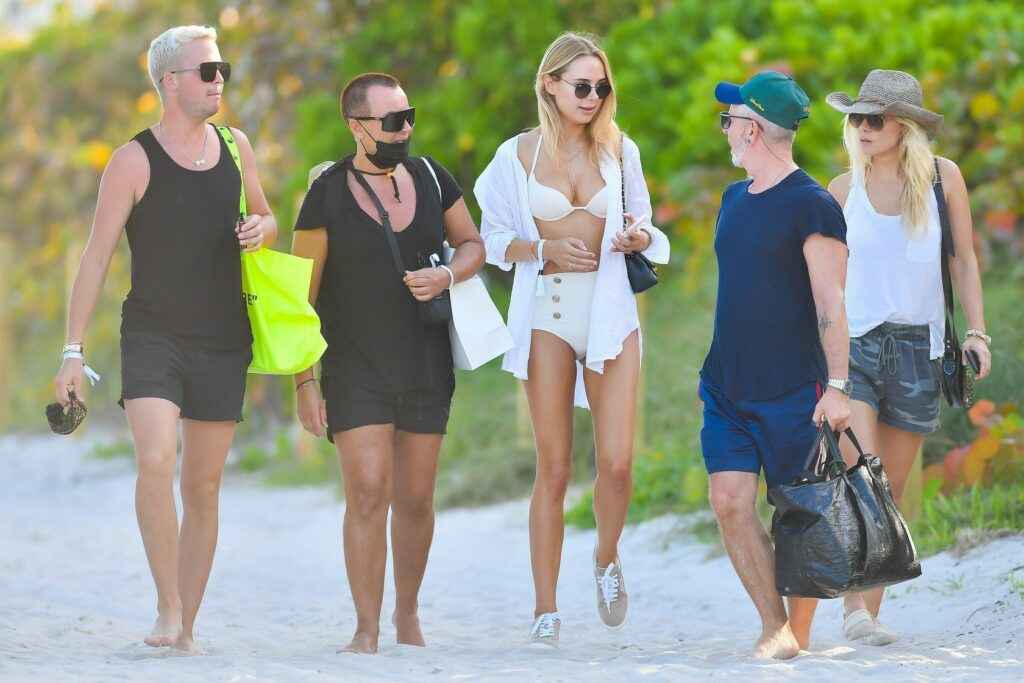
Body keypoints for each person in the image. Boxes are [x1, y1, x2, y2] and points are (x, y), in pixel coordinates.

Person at [52, 25, 277, 653]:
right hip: (153, 334)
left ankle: (188, 625)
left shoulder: (236, 146)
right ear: (170, 82)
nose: (219, 80)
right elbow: (96, 257)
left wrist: (261, 229)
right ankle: (167, 604)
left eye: (222, 69)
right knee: (155, 460)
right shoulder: (132, 160)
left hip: (223, 336)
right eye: (207, 71)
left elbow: (266, 214)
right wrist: (72, 352)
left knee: (203, 485)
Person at [474, 32, 670, 646]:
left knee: (617, 463)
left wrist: (638, 236)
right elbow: (491, 239)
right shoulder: (515, 156)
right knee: (554, 467)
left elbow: (645, 222)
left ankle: (606, 558)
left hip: (611, 312)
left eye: (601, 87)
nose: (592, 97)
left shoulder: (620, 150)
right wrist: (543, 248)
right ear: (550, 85)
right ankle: (545, 607)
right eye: (582, 85)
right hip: (548, 313)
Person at [292, 72, 485, 654]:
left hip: (426, 362)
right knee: (368, 492)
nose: (405, 130)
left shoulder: (432, 177)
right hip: (354, 367)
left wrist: (446, 275)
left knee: (417, 498)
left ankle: (407, 613)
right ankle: (366, 627)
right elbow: (299, 298)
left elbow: (473, 245)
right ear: (357, 127)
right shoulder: (326, 195)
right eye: (393, 121)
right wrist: (304, 382)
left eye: (409, 117)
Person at [826, 69, 992, 645]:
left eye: (875, 119)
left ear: (904, 126)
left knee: (890, 488)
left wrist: (977, 333)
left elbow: (963, 260)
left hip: (921, 349)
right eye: (856, 118)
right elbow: (824, 282)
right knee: (864, 477)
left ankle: (867, 613)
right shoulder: (841, 190)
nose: (862, 128)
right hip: (855, 347)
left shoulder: (944, 179)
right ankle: (855, 611)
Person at [700, 71, 850, 659]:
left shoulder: (813, 205)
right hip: (726, 385)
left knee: (800, 513)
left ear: (753, 130)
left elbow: (831, 303)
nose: (725, 129)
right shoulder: (733, 198)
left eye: (730, 119)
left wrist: (837, 387)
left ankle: (798, 634)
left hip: (793, 388)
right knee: (729, 501)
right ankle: (774, 627)